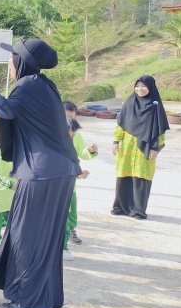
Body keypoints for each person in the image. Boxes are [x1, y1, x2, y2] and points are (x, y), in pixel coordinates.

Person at [0, 38, 80, 308]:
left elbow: (6, 110)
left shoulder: (28, 85)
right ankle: (44, 297)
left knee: (28, 235)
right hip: (57, 170)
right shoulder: (43, 86)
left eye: (12, 59)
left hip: (44, 172)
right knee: (43, 238)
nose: (10, 64)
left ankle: (28, 300)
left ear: (22, 62)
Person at [110, 76, 169, 220]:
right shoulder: (129, 103)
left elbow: (159, 129)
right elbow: (121, 124)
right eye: (137, 86)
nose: (140, 89)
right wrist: (116, 141)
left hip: (146, 147)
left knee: (141, 178)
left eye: (143, 86)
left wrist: (156, 148)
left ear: (150, 87)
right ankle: (120, 207)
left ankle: (138, 210)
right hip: (128, 147)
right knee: (124, 176)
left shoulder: (155, 105)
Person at [63, 102, 98, 245]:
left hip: (71, 184)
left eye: (72, 118)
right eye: (65, 118)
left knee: (71, 209)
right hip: (55, 182)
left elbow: (83, 152)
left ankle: (71, 229)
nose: (69, 122)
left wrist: (90, 150)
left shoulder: (76, 136)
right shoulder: (51, 136)